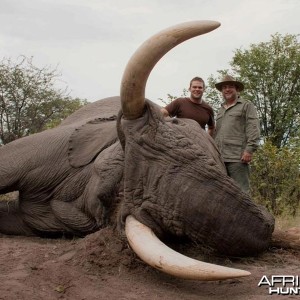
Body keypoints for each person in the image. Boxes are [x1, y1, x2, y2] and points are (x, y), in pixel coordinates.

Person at [214, 75, 260, 194]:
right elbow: (216, 132)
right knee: (223, 194)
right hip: (219, 158)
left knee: (242, 194)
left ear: (237, 89)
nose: (227, 90)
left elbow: (253, 127)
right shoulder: (220, 109)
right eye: (224, 87)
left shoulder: (246, 105)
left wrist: (249, 150)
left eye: (230, 87)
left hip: (237, 158)